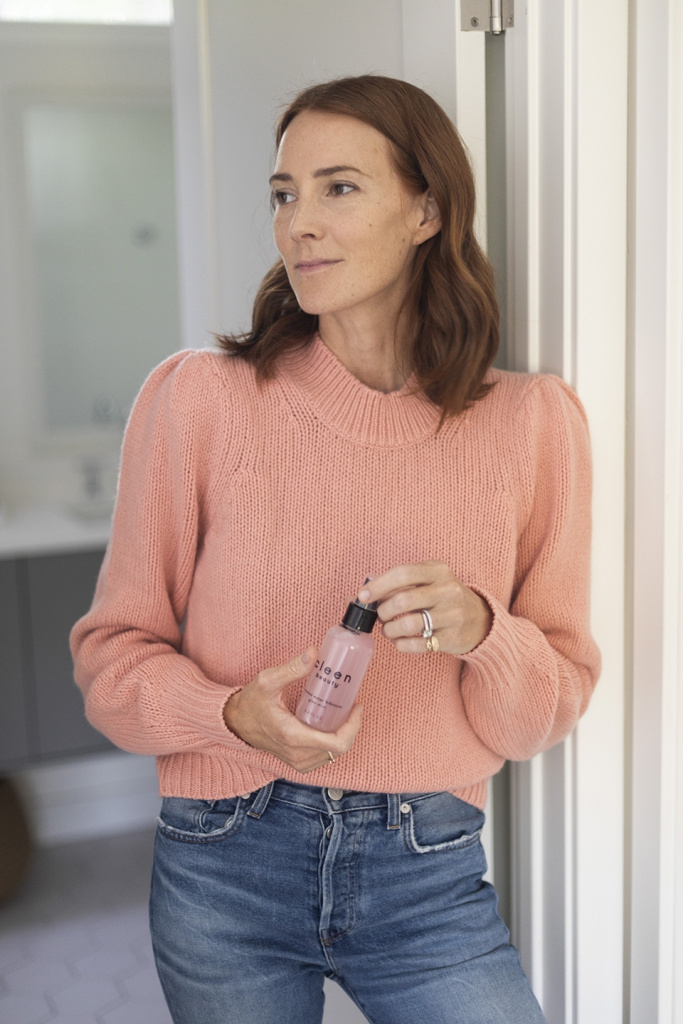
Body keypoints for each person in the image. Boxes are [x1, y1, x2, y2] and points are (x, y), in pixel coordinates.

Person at [70, 74, 600, 1024]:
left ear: (426, 211)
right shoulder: (199, 400)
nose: (298, 224)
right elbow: (111, 662)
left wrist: (483, 629)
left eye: (339, 187)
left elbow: (539, 715)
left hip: (426, 871)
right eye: (284, 194)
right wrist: (230, 715)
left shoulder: (532, 424)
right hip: (223, 861)